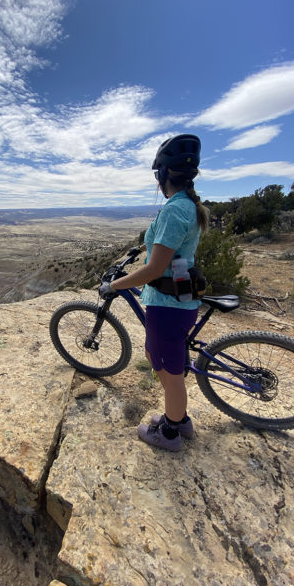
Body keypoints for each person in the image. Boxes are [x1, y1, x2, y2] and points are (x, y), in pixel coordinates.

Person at [99, 134, 209, 452]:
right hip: (178, 300)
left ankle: (171, 431)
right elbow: (163, 253)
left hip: (168, 304)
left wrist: (115, 285)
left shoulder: (175, 211)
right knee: (163, 359)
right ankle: (182, 419)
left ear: (162, 175)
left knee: (168, 371)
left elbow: (155, 270)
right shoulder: (187, 206)